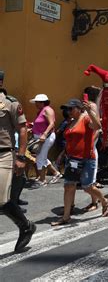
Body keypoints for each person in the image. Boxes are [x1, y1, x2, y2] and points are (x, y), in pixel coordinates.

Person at [51, 99, 108, 226]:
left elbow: (98, 127)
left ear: (79, 108)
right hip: (72, 160)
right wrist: (63, 154)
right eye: (67, 109)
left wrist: (89, 111)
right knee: (68, 186)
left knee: (87, 186)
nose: (68, 111)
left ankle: (104, 201)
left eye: (71, 109)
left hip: (87, 159)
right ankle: (66, 217)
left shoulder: (86, 119)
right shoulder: (71, 122)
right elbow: (70, 141)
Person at [0, 88, 36, 252]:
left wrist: (21, 157)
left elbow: (22, 129)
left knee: (2, 200)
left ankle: (26, 226)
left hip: (4, 155)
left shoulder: (10, 103)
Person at [29, 94, 56, 185]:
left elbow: (51, 123)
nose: (35, 104)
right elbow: (40, 124)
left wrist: (44, 134)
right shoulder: (41, 111)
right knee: (41, 157)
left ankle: (42, 180)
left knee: (40, 158)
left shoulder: (47, 110)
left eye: (37, 102)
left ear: (42, 102)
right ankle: (55, 173)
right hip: (40, 137)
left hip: (45, 137)